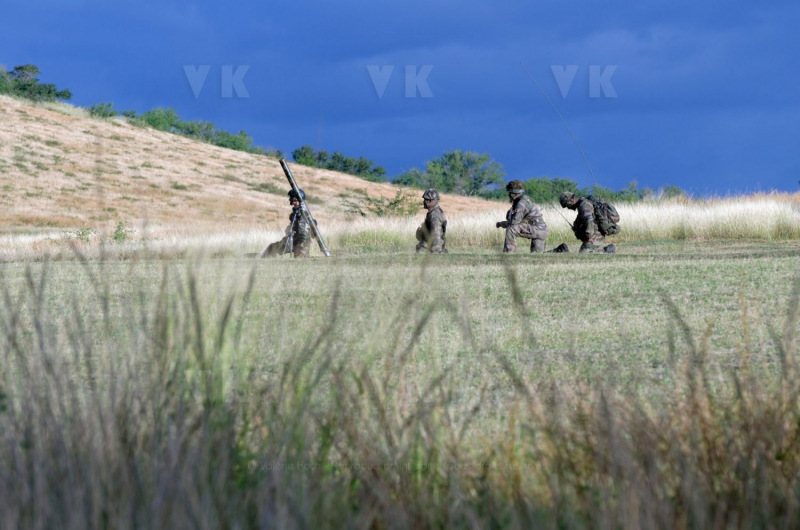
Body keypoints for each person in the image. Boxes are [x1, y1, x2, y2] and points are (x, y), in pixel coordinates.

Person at [262, 188, 318, 258]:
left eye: (294, 200)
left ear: (299, 200)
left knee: (300, 257)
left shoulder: (304, 214)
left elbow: (304, 234)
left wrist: (300, 247)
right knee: (272, 248)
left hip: (302, 242)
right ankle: (264, 259)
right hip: (293, 239)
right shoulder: (296, 213)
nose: (292, 202)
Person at [496, 180, 548, 253]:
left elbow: (514, 222)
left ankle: (508, 253)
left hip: (536, 229)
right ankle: (560, 249)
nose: (509, 195)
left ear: (515, 193)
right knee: (538, 254)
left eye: (510, 193)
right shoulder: (525, 199)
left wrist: (501, 224)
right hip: (541, 230)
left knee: (511, 229)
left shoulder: (521, 204)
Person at [415, 188, 448, 253]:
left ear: (430, 200)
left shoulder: (434, 215)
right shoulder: (433, 212)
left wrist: (435, 251)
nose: (424, 202)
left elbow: (436, 234)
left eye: (425, 199)